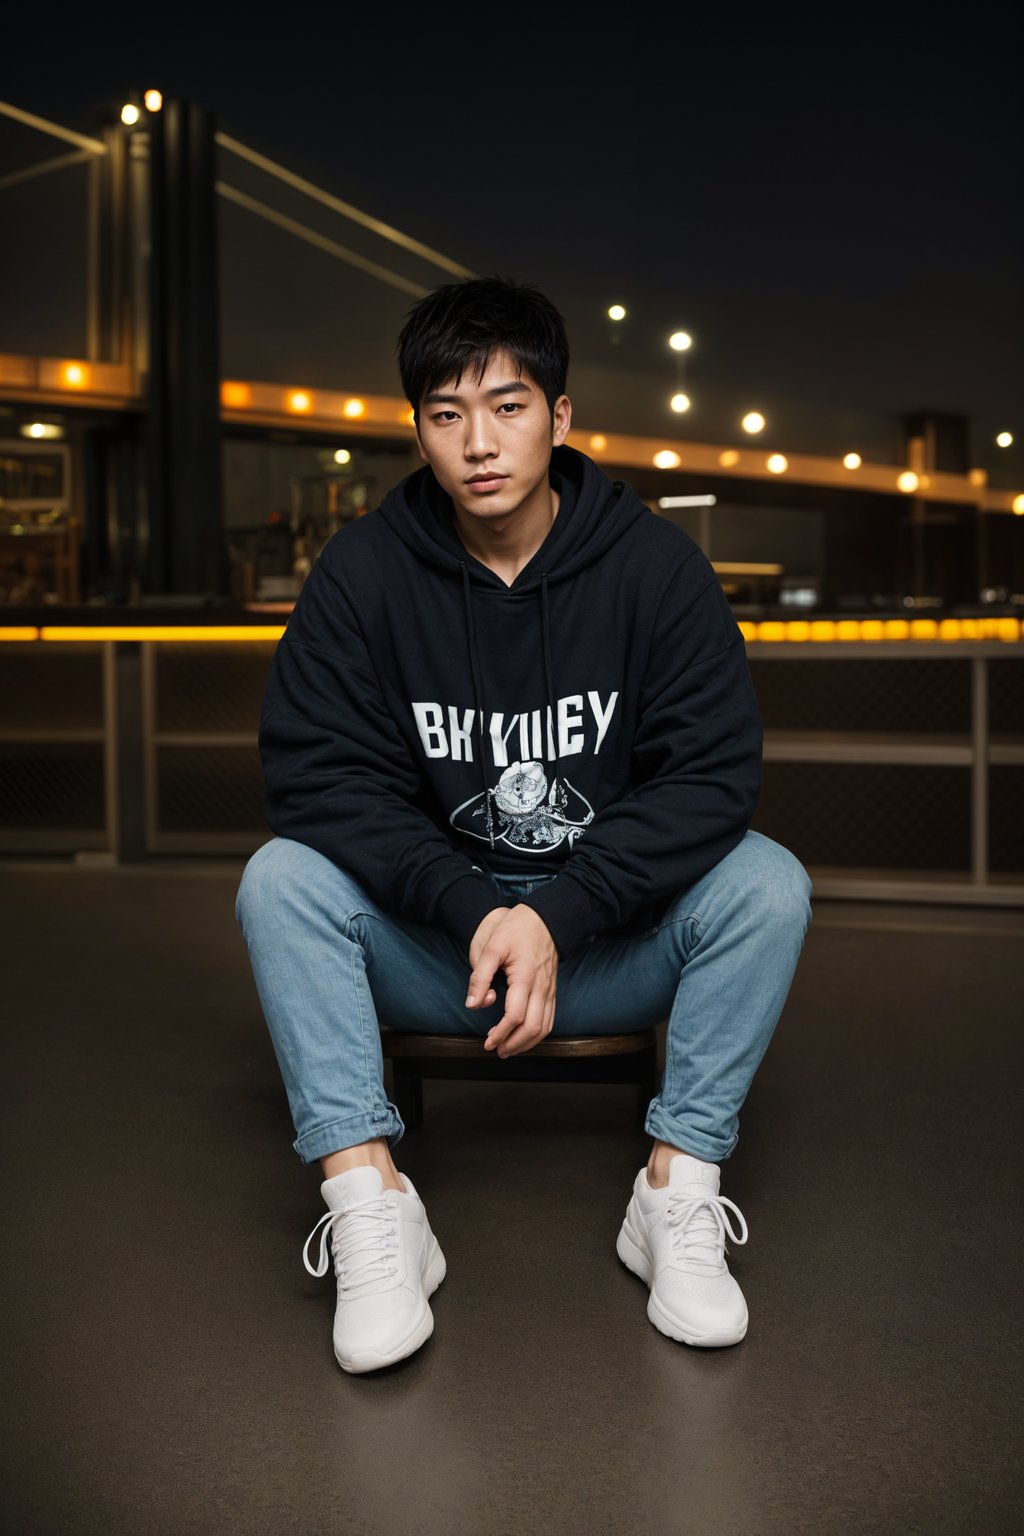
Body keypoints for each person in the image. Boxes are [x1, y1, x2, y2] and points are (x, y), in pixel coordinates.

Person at [235, 275, 812, 1374]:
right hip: (442, 954)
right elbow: (317, 778)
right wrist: (473, 907)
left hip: (601, 951)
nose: (478, 443)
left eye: (507, 405)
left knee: (766, 880)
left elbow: (710, 777)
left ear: (561, 416)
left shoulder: (654, 571)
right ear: (418, 432)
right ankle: (373, 1203)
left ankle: (674, 1189)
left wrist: (559, 910)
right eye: (446, 415)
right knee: (279, 878)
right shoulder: (360, 577)